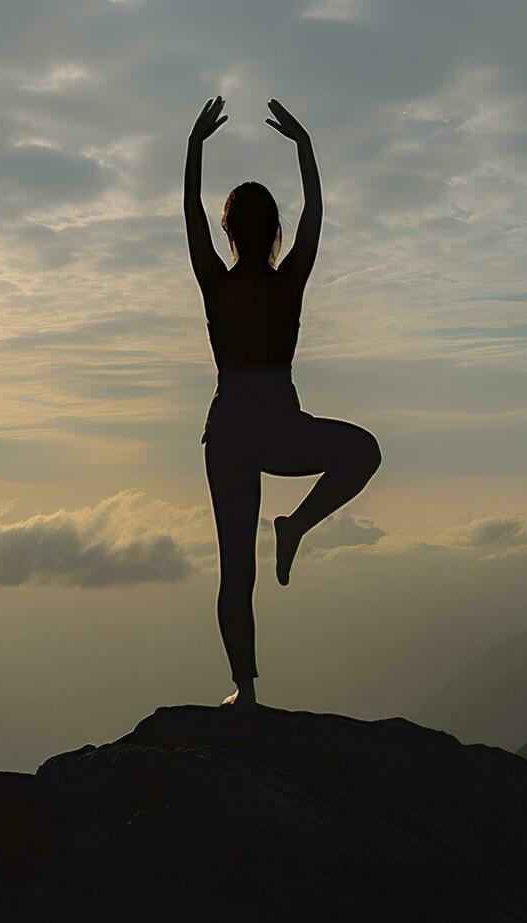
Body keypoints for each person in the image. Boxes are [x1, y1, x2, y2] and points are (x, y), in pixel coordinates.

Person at [184, 96, 381, 708]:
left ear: (227, 231)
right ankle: (295, 524)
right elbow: (316, 214)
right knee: (362, 452)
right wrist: (304, 147)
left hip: (230, 435)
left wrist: (194, 149)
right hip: (278, 428)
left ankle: (244, 690)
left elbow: (188, 214)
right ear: (274, 233)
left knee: (235, 570)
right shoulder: (287, 281)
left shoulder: (215, 283)